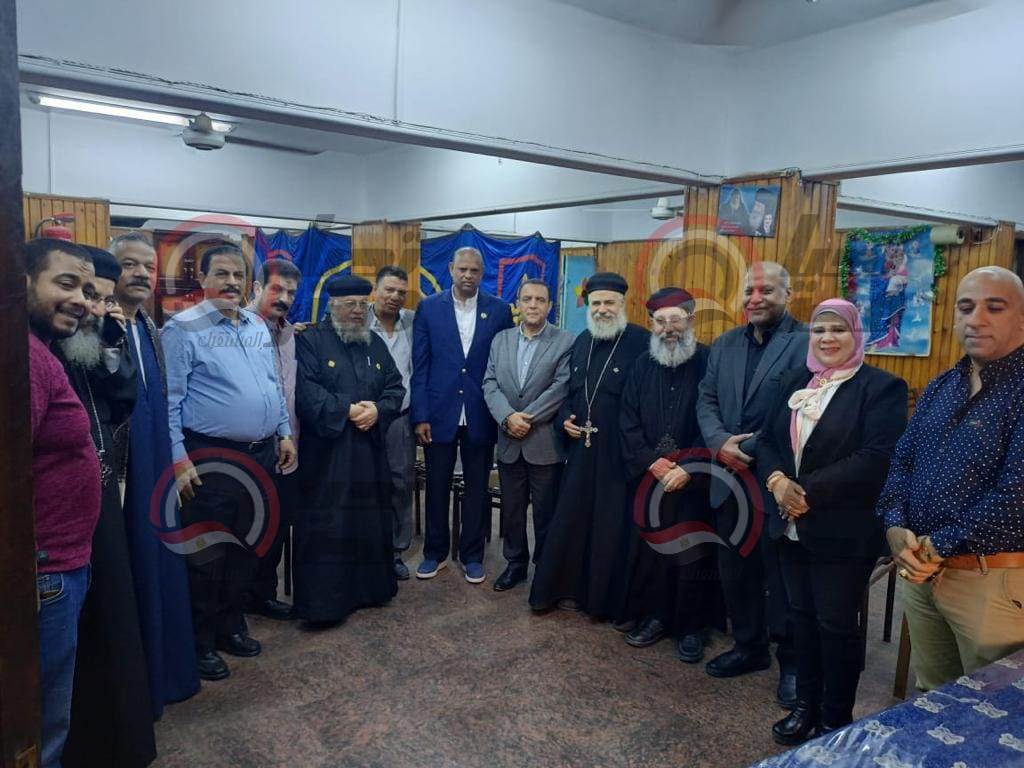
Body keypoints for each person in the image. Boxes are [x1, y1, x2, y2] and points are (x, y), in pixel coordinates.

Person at [758, 299, 907, 744]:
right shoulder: (794, 380)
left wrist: (804, 491)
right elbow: (765, 440)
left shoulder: (882, 388)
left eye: (839, 329)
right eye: (819, 329)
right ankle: (805, 705)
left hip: (843, 531)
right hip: (789, 524)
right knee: (800, 617)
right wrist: (777, 481)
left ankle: (835, 718)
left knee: (836, 624)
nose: (827, 338)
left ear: (857, 335)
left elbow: (877, 458)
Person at [877, 266, 1024, 691]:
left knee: (995, 707)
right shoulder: (944, 384)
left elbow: (1016, 494)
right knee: (933, 696)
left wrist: (936, 545)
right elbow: (902, 461)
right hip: (924, 575)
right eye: (966, 307)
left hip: (991, 581)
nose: (976, 319)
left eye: (994, 307)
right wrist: (894, 524)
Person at [162, 244, 296, 681]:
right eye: (221, 273)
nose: (231, 282)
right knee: (208, 555)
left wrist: (284, 431)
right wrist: (178, 458)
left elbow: (273, 385)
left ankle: (231, 626)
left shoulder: (256, 325)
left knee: (247, 547)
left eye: (238, 275)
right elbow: (170, 402)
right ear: (202, 279)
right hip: (210, 457)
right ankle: (201, 641)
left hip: (261, 453)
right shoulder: (182, 329)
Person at [58, 246, 157, 768]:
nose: (90, 306)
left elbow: (122, 398)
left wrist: (112, 336)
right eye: (81, 293)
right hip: (61, 519)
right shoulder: (44, 347)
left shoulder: (93, 340)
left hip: (100, 500)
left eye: (97, 297)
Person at [696, 261, 806, 708]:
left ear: (788, 294)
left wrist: (752, 446)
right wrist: (718, 442)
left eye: (766, 290)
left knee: (783, 579)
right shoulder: (724, 344)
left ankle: (793, 664)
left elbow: (805, 410)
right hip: (728, 479)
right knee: (735, 571)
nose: (755, 298)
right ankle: (749, 646)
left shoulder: (807, 344)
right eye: (749, 291)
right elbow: (706, 399)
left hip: (776, 480)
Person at [109, 231, 200, 714]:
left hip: (157, 467)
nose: (141, 274)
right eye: (130, 264)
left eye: (148, 266)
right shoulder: (97, 329)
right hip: (122, 474)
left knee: (161, 563)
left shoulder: (148, 326)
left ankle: (169, 674)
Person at [529, 272, 649, 618]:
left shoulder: (640, 341)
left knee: (609, 528)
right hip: (581, 450)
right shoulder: (582, 341)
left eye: (609, 302)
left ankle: (602, 601)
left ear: (623, 305)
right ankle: (563, 590)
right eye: (596, 303)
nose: (602, 309)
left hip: (618, 455)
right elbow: (568, 393)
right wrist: (564, 418)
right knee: (572, 522)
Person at [24, 238, 102, 768]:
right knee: (41, 725)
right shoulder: (26, 357)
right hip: (43, 569)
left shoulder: (40, 350)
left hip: (59, 563)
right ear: (23, 282)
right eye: (66, 283)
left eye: (87, 290)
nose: (80, 300)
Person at [293, 274, 403, 622]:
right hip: (328, 457)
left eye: (362, 304)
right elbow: (306, 392)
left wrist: (378, 410)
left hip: (369, 453)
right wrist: (348, 410)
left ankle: (370, 591)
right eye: (349, 304)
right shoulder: (310, 340)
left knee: (368, 521)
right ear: (333, 306)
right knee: (330, 526)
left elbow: (396, 388)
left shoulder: (375, 343)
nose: (357, 311)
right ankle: (326, 604)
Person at [619, 288, 720, 661]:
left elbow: (715, 419)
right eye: (660, 321)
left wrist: (687, 468)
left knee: (692, 554)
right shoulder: (641, 364)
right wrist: (652, 461)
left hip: (694, 480)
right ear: (652, 325)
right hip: (651, 478)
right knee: (652, 552)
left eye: (675, 319)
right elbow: (627, 419)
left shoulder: (709, 362)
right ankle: (656, 617)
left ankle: (691, 627)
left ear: (690, 320)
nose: (668, 328)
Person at [411, 246, 514, 583]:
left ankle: (472, 555)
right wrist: (420, 415)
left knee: (477, 488)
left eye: (475, 270)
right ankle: (434, 553)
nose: (468, 275)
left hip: (481, 412)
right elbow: (420, 366)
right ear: (451, 269)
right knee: (436, 486)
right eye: (462, 269)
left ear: (482, 273)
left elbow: (503, 364)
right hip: (438, 413)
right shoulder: (429, 308)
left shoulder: (499, 311)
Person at [483, 278, 573, 591]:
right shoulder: (501, 340)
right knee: (512, 510)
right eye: (527, 299)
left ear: (550, 306)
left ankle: (546, 569)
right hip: (509, 439)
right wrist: (508, 417)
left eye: (540, 300)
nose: (533, 305)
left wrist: (527, 419)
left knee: (546, 511)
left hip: (543, 442)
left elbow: (560, 387)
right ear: (518, 304)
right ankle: (516, 564)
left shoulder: (565, 341)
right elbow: (490, 383)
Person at [245, 258, 302, 620]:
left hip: (288, 449)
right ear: (257, 287)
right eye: (277, 289)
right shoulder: (237, 330)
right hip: (251, 449)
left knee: (276, 527)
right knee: (247, 528)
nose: (284, 298)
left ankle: (262, 594)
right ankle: (232, 605)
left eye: (291, 292)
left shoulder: (291, 333)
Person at [368, 265, 417, 580]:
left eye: (401, 291)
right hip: (365, 419)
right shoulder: (357, 320)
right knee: (366, 483)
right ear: (375, 290)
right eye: (389, 289)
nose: (395, 296)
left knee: (400, 484)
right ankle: (368, 549)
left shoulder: (413, 322)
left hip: (400, 419)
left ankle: (396, 551)